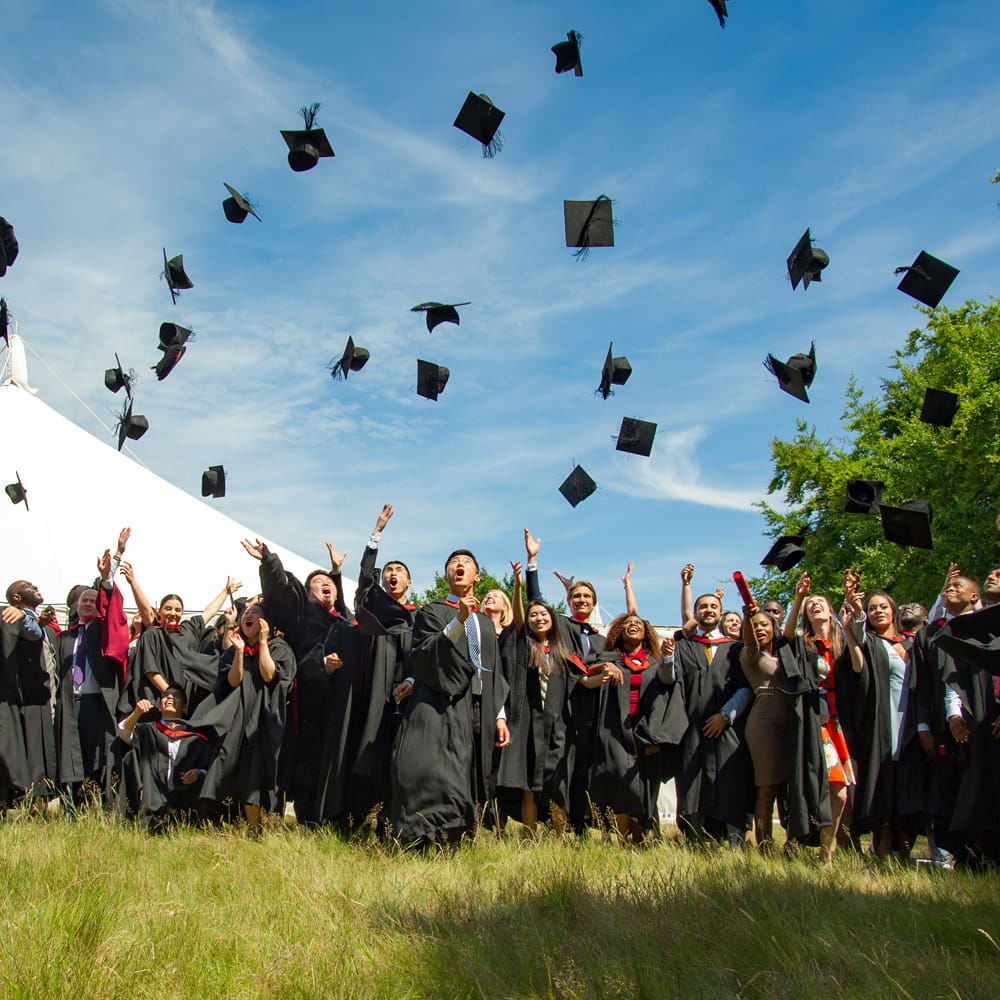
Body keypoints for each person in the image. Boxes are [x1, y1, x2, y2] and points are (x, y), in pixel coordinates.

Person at [390, 549, 510, 846]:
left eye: (467, 563)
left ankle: (459, 835)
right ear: (446, 575)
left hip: (478, 705)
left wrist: (499, 714)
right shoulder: (432, 611)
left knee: (467, 769)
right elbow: (424, 653)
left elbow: (493, 671)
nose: (460, 565)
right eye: (454, 563)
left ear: (476, 576)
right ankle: (420, 834)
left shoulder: (485, 623)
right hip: (439, 699)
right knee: (430, 765)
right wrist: (458, 620)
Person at [242, 538, 362, 827]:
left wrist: (335, 572)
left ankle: (335, 816)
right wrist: (269, 560)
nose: (326, 585)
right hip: (310, 699)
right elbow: (282, 591)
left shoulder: (344, 620)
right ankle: (309, 818)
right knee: (310, 760)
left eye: (330, 583)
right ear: (309, 592)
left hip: (342, 700)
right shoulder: (304, 613)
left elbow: (343, 606)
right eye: (318, 582)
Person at [740, 575, 832, 857]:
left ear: (774, 627)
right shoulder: (749, 654)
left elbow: (790, 632)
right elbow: (750, 640)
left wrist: (799, 598)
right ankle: (765, 847)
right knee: (766, 787)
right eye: (756, 627)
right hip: (764, 722)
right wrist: (748, 619)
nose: (760, 630)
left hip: (794, 720)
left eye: (765, 625)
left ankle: (793, 843)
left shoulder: (788, 651)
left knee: (795, 784)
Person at [842, 574, 924, 860]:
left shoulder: (913, 643)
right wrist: (856, 609)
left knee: (910, 786)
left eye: (883, 607)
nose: (878, 611)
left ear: (894, 611)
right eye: (873, 607)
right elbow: (858, 631)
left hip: (913, 722)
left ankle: (905, 849)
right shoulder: (873, 644)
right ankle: (882, 847)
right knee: (885, 783)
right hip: (884, 720)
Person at [588, 613, 688, 842]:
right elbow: (585, 674)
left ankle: (644, 835)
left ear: (646, 632)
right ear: (618, 632)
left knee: (646, 783)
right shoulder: (610, 658)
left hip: (646, 730)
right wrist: (605, 666)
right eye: (627, 624)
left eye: (638, 624)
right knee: (623, 783)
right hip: (614, 730)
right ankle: (623, 837)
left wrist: (667, 658)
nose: (632, 625)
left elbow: (668, 679)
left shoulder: (655, 661)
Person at [197, 603, 296, 832]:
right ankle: (222, 823)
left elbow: (270, 675)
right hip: (237, 718)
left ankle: (256, 830)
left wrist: (262, 642)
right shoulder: (235, 649)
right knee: (226, 762)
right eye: (246, 614)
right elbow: (233, 681)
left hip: (264, 719)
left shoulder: (279, 647)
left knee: (256, 772)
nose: (249, 616)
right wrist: (239, 652)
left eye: (256, 614)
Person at [667, 586, 752, 845]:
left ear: (721, 612)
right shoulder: (683, 647)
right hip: (692, 726)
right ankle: (695, 839)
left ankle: (734, 840)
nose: (708, 610)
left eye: (713, 607)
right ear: (695, 614)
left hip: (728, 727)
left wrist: (726, 716)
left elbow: (746, 686)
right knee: (692, 780)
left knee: (731, 780)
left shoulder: (736, 648)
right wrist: (667, 657)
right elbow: (671, 680)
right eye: (703, 607)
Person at [496, 562, 576, 834]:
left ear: (553, 618)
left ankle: (559, 838)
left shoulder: (562, 650)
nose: (538, 618)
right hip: (531, 724)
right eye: (534, 615)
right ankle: (530, 836)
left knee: (557, 783)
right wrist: (518, 584)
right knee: (529, 784)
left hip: (557, 724)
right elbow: (518, 616)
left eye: (544, 614)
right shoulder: (524, 644)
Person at [350, 504, 417, 827]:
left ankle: (395, 819)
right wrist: (375, 535)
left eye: (398, 571)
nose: (392, 575)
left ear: (409, 581)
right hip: (373, 687)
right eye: (388, 571)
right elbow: (364, 582)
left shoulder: (419, 616)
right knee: (369, 750)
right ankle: (367, 815)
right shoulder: (374, 607)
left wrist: (414, 680)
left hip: (406, 692)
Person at [52, 545, 130, 807]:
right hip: (72, 703)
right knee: (72, 754)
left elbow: (112, 612)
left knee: (100, 755)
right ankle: (72, 805)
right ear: (76, 606)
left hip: (98, 702)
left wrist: (109, 574)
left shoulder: (101, 633)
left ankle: (101, 805)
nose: (87, 603)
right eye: (83, 600)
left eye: (92, 600)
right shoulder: (65, 638)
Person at [785, 586, 856, 861]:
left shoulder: (841, 641)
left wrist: (850, 616)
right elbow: (787, 635)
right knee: (835, 789)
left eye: (820, 602)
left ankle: (830, 849)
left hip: (844, 722)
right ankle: (822, 852)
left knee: (843, 792)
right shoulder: (804, 643)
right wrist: (799, 598)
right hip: (818, 723)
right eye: (809, 604)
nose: (815, 605)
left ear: (830, 610)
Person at [933, 594, 1000, 865]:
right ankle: (980, 854)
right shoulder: (969, 631)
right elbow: (954, 677)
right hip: (982, 723)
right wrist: (953, 715)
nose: (993, 575)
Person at [116, 688, 218, 831]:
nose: (169, 697)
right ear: (159, 705)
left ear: (184, 707)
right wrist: (137, 712)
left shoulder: (196, 739)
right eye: (165, 695)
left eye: (176, 696)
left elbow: (210, 770)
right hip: (152, 801)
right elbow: (123, 733)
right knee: (128, 757)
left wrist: (198, 773)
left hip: (184, 804)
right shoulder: (147, 730)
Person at [131, 578, 242, 709]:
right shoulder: (152, 635)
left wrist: (225, 591)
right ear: (159, 612)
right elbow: (151, 670)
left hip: (187, 703)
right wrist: (172, 696)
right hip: (161, 703)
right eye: (168, 609)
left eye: (177, 610)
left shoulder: (188, 629)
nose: (173, 613)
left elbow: (209, 613)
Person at [1, 578, 58, 807]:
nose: (34, 586)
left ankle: (39, 799)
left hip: (44, 696)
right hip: (26, 698)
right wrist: (26, 616)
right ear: (16, 597)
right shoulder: (11, 615)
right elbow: (32, 634)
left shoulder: (38, 621)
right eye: (27, 586)